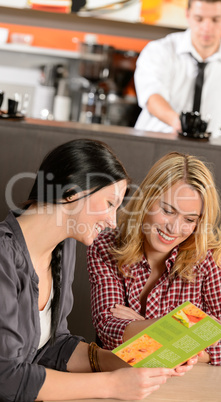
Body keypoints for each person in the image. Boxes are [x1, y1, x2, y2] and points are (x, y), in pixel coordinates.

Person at [0, 140, 195, 402]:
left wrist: (128, 361)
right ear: (71, 191)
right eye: (109, 204)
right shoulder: (3, 256)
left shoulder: (63, 247)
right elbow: (6, 378)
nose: (113, 221)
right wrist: (112, 385)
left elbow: (51, 347)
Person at [87, 151, 221, 366]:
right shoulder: (106, 245)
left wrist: (146, 327)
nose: (174, 228)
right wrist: (188, 329)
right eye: (167, 210)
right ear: (147, 200)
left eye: (189, 219)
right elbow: (109, 332)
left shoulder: (206, 257)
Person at [134, 0, 221, 139]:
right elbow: (152, 97)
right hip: (154, 142)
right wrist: (180, 123)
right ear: (187, 15)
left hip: (206, 155)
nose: (207, 27)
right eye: (199, 19)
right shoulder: (159, 50)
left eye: (215, 20)